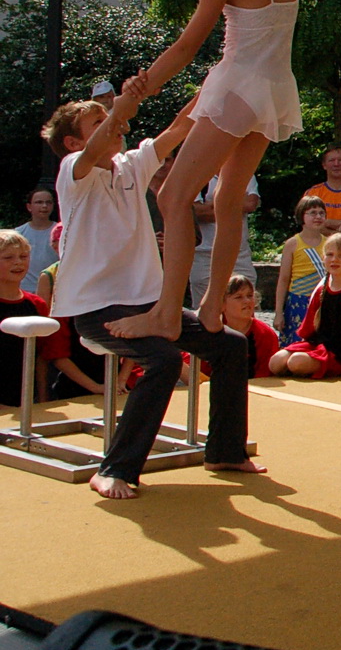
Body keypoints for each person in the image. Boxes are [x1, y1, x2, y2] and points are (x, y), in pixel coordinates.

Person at [44, 79, 265, 499]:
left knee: (231, 346)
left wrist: (218, 81)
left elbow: (181, 127)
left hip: (149, 307)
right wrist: (125, 104)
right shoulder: (74, 170)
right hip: (96, 309)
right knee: (163, 362)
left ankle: (224, 451)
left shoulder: (131, 164)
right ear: (74, 140)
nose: (112, 124)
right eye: (97, 120)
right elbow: (96, 148)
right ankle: (116, 468)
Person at [106, 0, 301, 342]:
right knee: (227, 200)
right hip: (274, 89)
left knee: (173, 196)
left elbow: (186, 47)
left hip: (236, 88)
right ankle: (212, 305)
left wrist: (140, 87)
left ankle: (167, 313)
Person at [271, 233, 341, 380]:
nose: (334, 259)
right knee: (275, 362)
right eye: (330, 254)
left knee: (296, 362)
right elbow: (308, 329)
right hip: (319, 344)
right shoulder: (321, 289)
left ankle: (314, 367)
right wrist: (303, 349)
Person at [37, 225, 103, 399]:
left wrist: (119, 380)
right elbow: (50, 341)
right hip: (66, 354)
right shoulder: (50, 276)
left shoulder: (100, 274)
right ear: (55, 246)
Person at [189, 173, 259, 307]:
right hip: (204, 254)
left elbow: (250, 204)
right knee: (203, 307)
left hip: (239, 254)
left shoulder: (245, 173)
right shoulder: (197, 173)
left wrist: (212, 205)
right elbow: (196, 212)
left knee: (245, 305)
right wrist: (234, 204)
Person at [0, 229, 50, 407]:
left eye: (23, 256)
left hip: (24, 398)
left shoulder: (36, 304)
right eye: (8, 258)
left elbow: (42, 356)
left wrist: (43, 399)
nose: (18, 263)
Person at [274, 197, 328, 344]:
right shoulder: (292, 244)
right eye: (312, 213)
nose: (318, 216)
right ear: (301, 216)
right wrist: (279, 312)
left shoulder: (329, 243)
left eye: (321, 213)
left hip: (322, 302)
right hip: (298, 301)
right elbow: (284, 279)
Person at [208, 275, 277, 380]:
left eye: (250, 296)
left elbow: (264, 375)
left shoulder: (265, 335)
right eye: (238, 297)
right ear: (221, 303)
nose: (247, 301)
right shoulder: (211, 330)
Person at [17, 188, 56, 283]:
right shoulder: (18, 234)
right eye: (39, 202)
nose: (44, 206)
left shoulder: (60, 232)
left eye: (48, 202)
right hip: (25, 288)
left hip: (52, 287)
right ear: (29, 207)